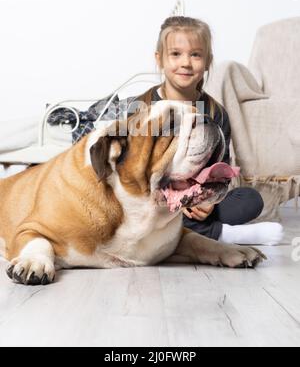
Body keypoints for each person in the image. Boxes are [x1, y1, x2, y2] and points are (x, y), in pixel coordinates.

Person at [72, 15, 283, 246]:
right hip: (157, 196)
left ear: (208, 60)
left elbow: (219, 171)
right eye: (175, 54)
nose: (186, 63)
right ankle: (223, 235)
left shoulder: (215, 112)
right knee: (132, 206)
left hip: (197, 196)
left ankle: (197, 229)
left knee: (251, 199)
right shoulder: (142, 108)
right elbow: (133, 169)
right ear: (159, 59)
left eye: (195, 54)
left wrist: (207, 200)